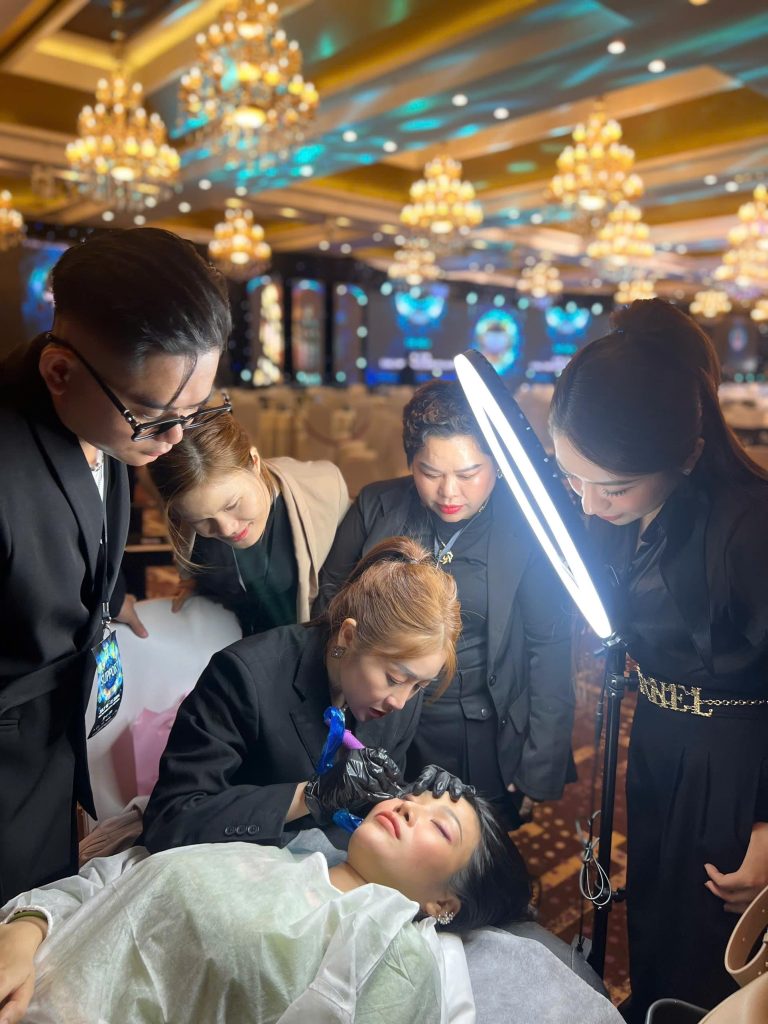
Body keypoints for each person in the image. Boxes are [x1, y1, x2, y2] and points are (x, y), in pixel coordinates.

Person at [549, 297, 768, 1020]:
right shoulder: (619, 512)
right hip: (660, 741)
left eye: (612, 487)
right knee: (655, 928)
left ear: (688, 455)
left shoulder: (750, 528)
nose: (590, 504)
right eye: (574, 478)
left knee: (715, 956)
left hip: (739, 762)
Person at [0, 228, 232, 904]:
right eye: (156, 418)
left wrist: (106, 596)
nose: (175, 440)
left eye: (193, 413)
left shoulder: (106, 417)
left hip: (56, 751)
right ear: (60, 372)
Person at [0, 789, 531, 1024]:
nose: (407, 808)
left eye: (440, 826)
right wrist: (23, 930)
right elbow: (117, 876)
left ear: (443, 902)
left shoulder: (395, 957)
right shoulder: (276, 855)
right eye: (412, 796)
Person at [315, 380, 574, 829]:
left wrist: (540, 764)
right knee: (382, 838)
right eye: (430, 473)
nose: (449, 492)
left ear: (497, 463)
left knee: (470, 849)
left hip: (478, 724)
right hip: (381, 717)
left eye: (469, 473)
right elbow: (330, 605)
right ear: (410, 462)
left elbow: (549, 646)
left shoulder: (527, 524)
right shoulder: (378, 504)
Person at [141, 536, 463, 852]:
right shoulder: (244, 676)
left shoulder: (402, 698)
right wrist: (309, 796)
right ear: (348, 637)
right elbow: (170, 819)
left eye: (419, 686)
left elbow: (371, 807)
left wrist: (421, 800)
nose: (401, 702)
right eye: (394, 678)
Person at [147, 412, 349, 635]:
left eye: (231, 505)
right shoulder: (189, 528)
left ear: (254, 462)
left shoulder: (326, 494)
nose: (226, 529)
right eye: (201, 520)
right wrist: (197, 585)